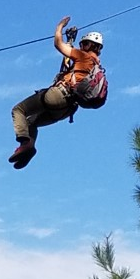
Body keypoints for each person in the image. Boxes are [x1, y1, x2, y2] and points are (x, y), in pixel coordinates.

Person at [9, 16, 104, 169]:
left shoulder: (83, 56)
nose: (82, 46)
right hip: (67, 109)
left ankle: (25, 143)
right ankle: (29, 148)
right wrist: (71, 42)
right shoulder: (94, 67)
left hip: (58, 96)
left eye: (84, 43)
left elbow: (58, 44)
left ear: (90, 46)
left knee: (18, 110)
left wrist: (59, 27)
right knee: (31, 122)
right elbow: (67, 64)